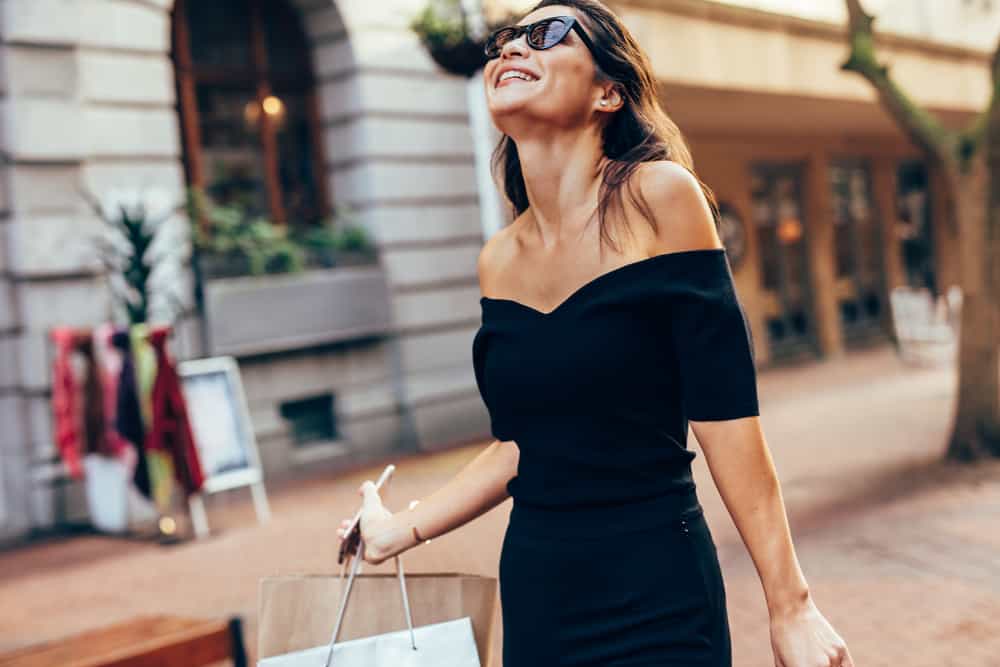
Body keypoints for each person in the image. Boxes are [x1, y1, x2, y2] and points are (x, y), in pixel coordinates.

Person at [336, 1, 854, 665]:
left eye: (545, 34)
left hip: (659, 587)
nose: (512, 49)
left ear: (609, 91)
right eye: (504, 40)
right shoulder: (498, 259)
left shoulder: (661, 199)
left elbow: (727, 418)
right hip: (542, 595)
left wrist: (791, 604)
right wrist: (395, 530)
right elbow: (523, 444)